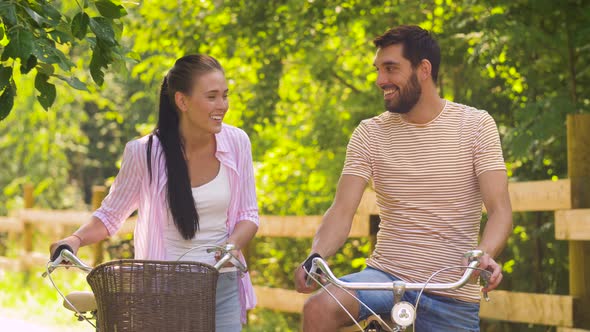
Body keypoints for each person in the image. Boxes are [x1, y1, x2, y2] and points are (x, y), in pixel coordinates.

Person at [294, 25, 513, 331]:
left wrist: (482, 255)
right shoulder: (369, 133)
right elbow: (342, 210)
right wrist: (316, 256)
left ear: (424, 69)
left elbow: (500, 211)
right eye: (378, 70)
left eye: (391, 68)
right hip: (385, 277)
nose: (380, 80)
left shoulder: (475, 125)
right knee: (318, 308)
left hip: (451, 291)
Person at [50, 54, 259, 331]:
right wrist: (74, 240)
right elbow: (111, 215)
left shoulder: (237, 142)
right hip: (162, 289)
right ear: (182, 101)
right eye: (211, 97)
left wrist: (229, 248)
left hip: (221, 283)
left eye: (225, 96)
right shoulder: (144, 153)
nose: (222, 106)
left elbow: (248, 214)